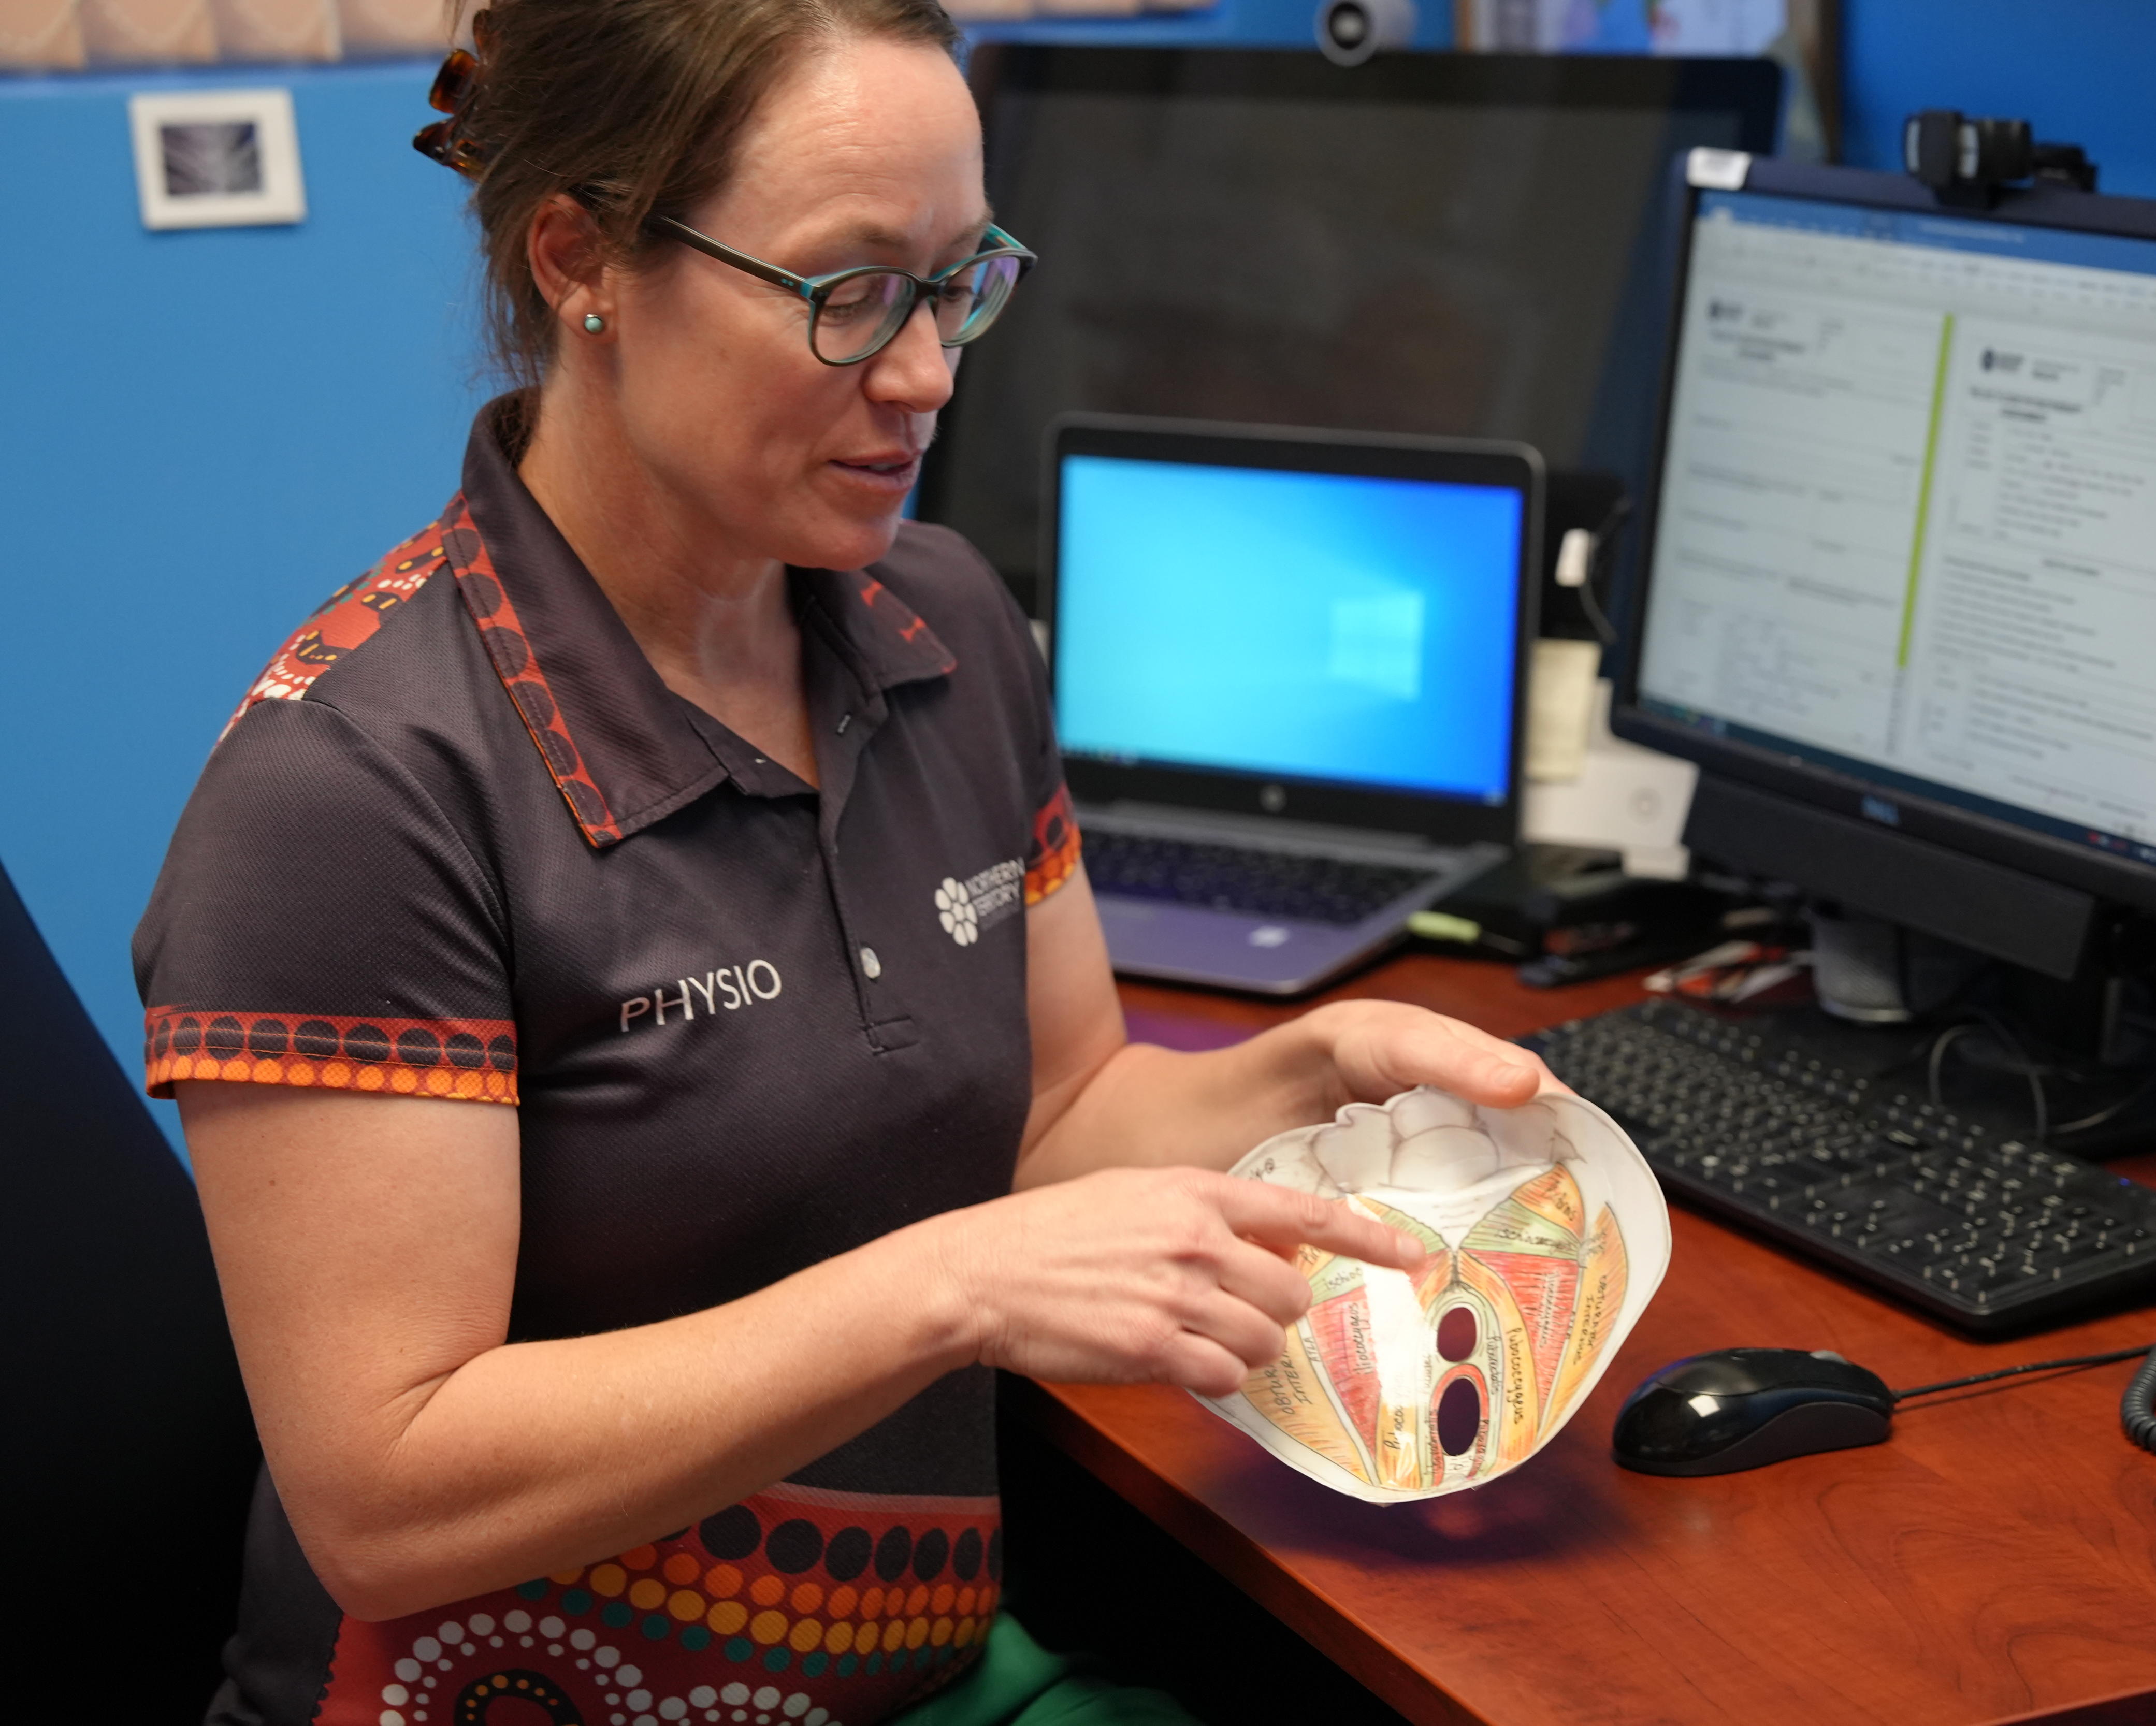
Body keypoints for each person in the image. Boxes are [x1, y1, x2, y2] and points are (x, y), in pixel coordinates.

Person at [132, 3, 1557, 1722]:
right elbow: (386, 1491)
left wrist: (1308, 1075)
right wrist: (946, 1292)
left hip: (902, 1673)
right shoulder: (354, 793)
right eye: (848, 291)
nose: (930, 371)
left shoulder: (942, 621)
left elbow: (1052, 1116)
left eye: (961, 279)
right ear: (582, 259)